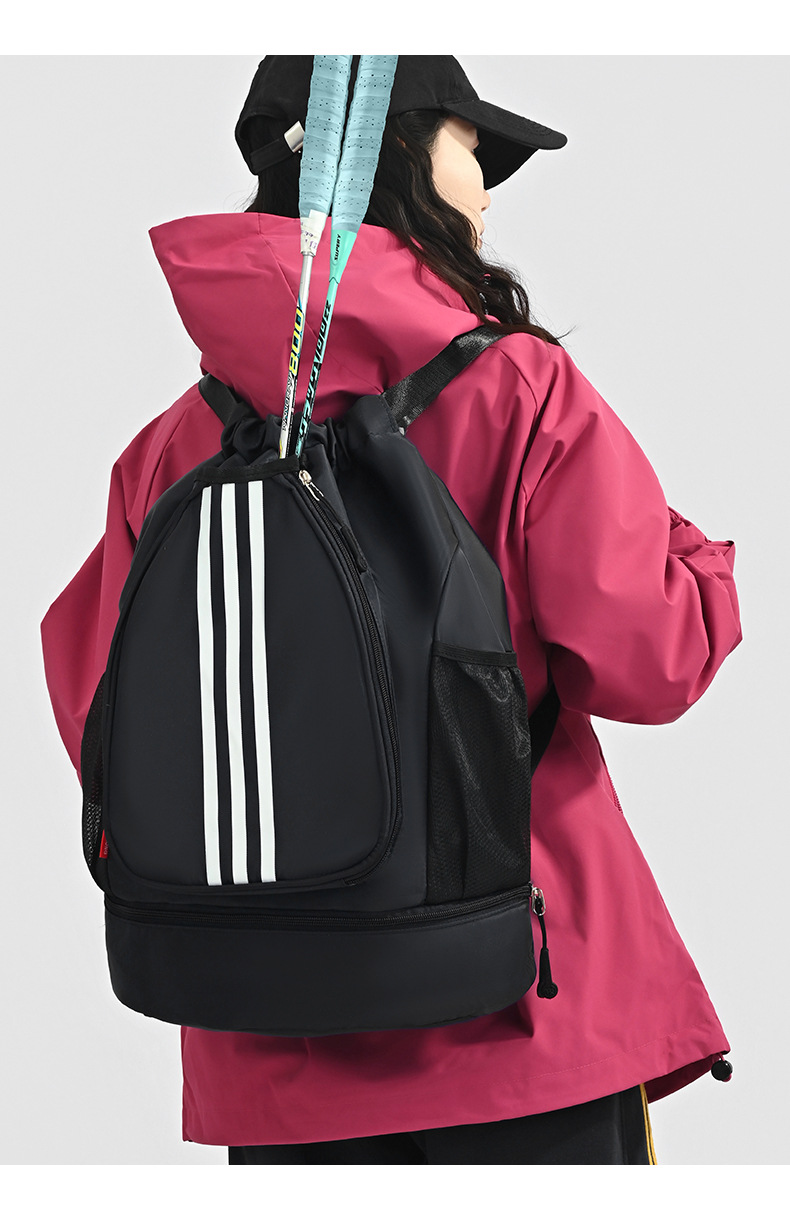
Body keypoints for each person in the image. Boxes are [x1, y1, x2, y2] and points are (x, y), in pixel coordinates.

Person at [40, 56, 742, 1165]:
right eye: (473, 148)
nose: (487, 187)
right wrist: (696, 559)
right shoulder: (518, 388)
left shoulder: (175, 445)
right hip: (520, 1011)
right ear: (400, 149)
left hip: (268, 1045)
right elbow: (652, 661)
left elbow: (103, 714)